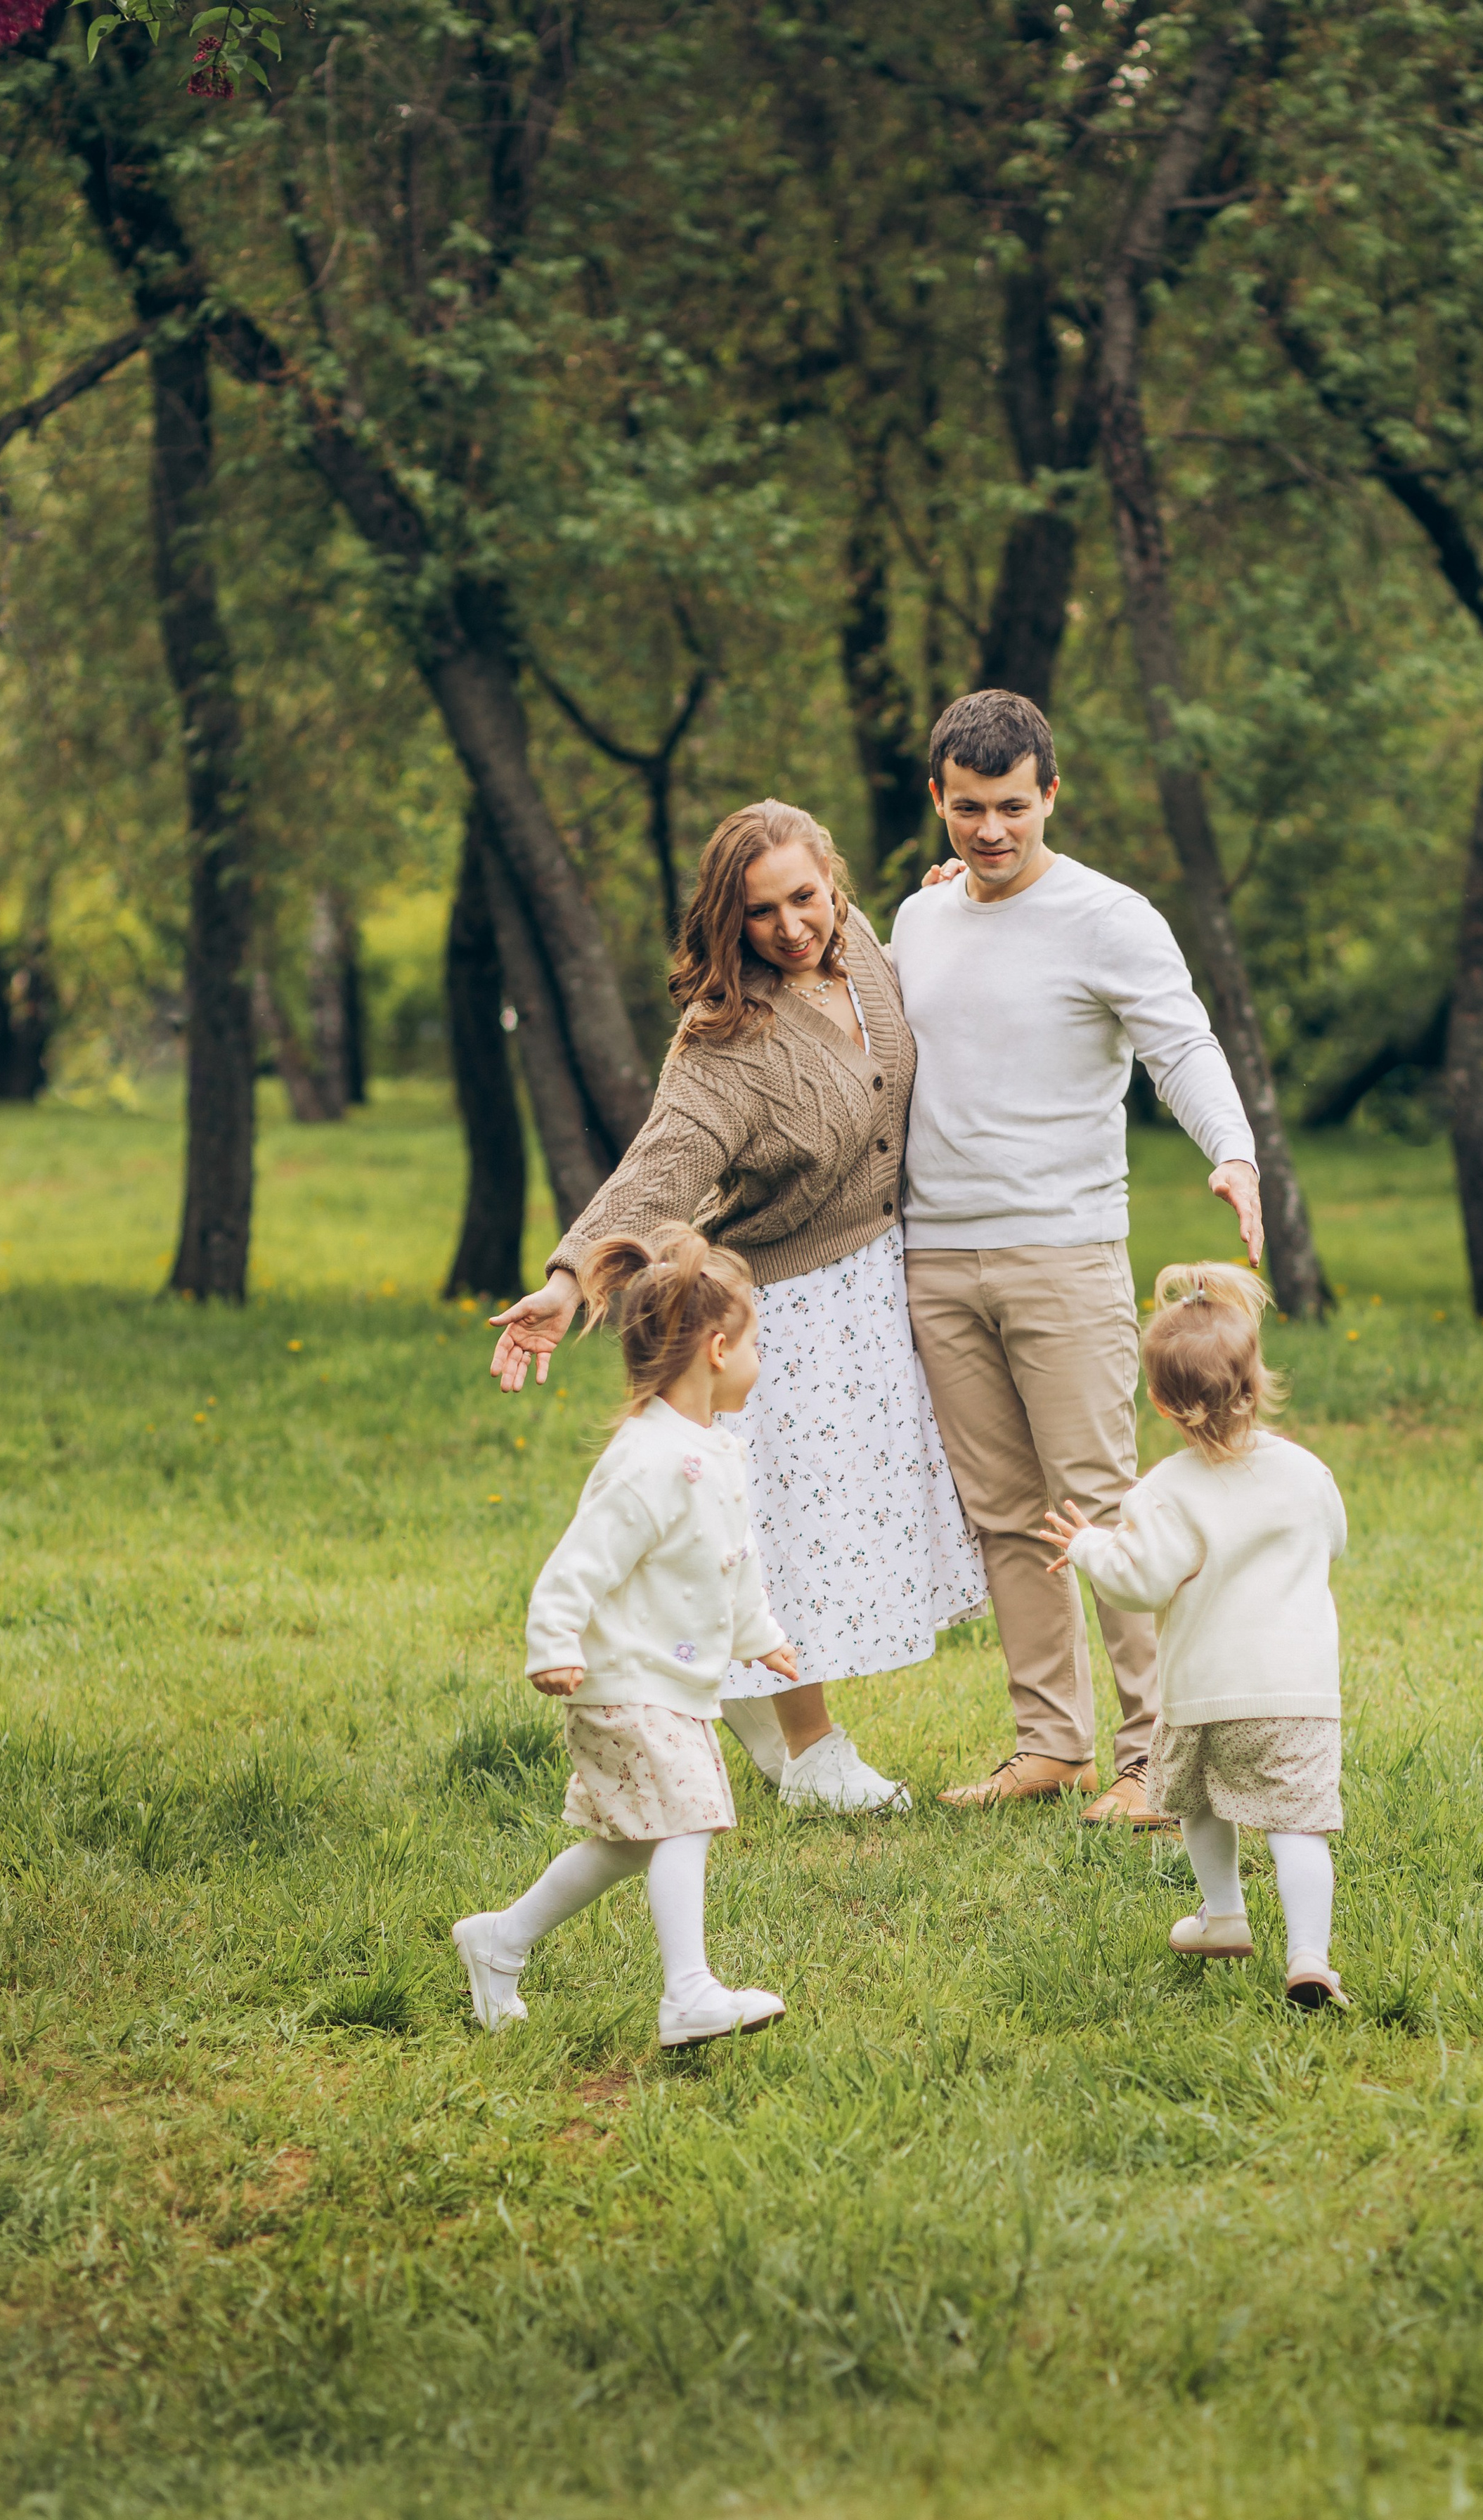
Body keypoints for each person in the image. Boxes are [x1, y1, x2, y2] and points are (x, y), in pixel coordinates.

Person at [486, 800, 985, 1814]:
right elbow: (659, 1167)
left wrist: (956, 896)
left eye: (805, 896)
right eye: (762, 913)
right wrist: (570, 1276)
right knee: (780, 1528)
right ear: (732, 921)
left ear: (832, 880)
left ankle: (757, 1704)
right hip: (783, 1309)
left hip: (879, 1286)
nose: (792, 926)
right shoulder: (727, 1035)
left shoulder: (870, 954)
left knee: (857, 1515)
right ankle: (812, 1753)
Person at [893, 687, 1263, 1817]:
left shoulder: (1110, 917)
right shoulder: (920, 918)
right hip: (938, 1257)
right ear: (938, 800)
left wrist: (1232, 1153)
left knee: (1102, 1510)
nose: (991, 832)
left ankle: (1157, 1760)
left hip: (1062, 1249)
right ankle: (1051, 1744)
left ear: (1052, 793)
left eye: (1012, 807)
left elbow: (1181, 1043)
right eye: (968, 810)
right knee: (1005, 1513)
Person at [454, 1227, 794, 2048]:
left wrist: (760, 1634)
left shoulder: (712, 1450)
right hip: (627, 1684)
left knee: (629, 1843)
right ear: (717, 1350)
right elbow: (578, 1564)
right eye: (755, 1342)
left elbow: (728, 1560)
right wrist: (554, 1645)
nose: (760, 1358)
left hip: (667, 1684)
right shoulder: (647, 1460)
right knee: (687, 1823)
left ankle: (501, 1939)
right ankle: (688, 1994)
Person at [1041, 1262, 1349, 2008]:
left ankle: (1223, 1916)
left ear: (1158, 1402)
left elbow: (1137, 1583)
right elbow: (1333, 1542)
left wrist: (1088, 1548)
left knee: (1202, 1802)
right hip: (1298, 1694)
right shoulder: (1307, 1474)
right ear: (1256, 1381)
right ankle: (1309, 1957)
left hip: (1204, 1693)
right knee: (1298, 1825)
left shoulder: (1161, 1493)